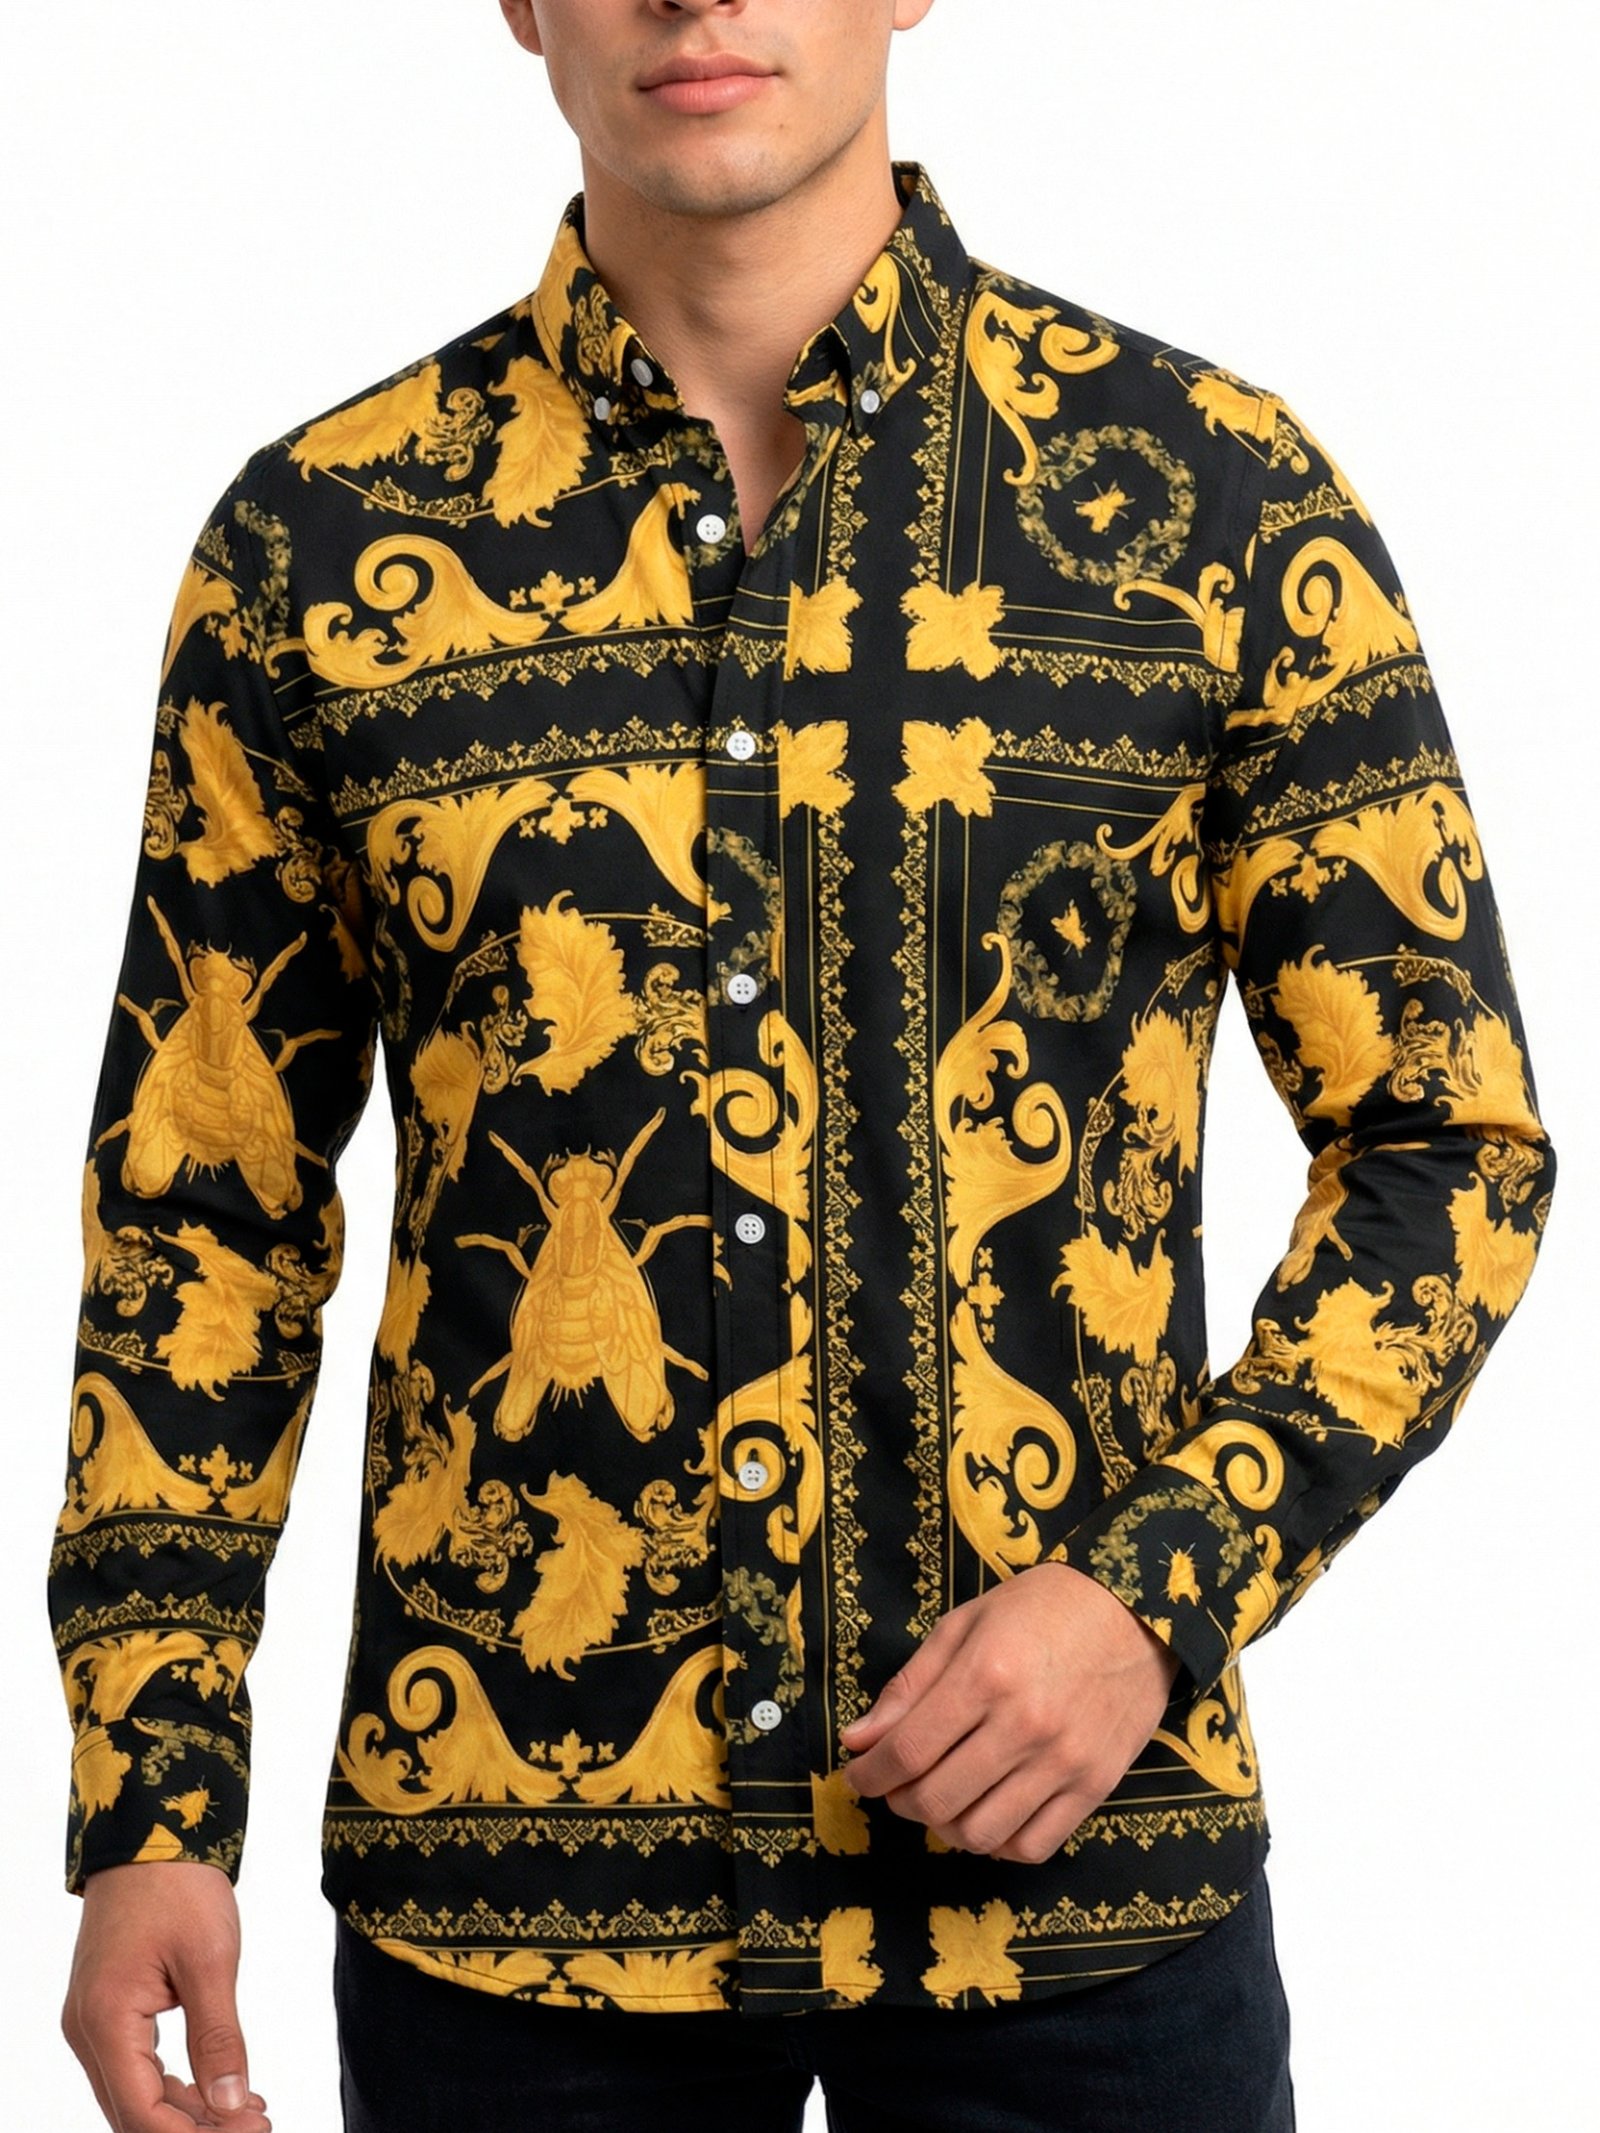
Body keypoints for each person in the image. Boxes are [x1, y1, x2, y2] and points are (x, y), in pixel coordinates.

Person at [49, 2, 1555, 2129]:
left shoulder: (1215, 508)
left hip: (1081, 1899)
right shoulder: (313, 549)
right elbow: (202, 1216)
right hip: (514, 1924)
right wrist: (149, 1793)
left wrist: (1159, 1590)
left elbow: (1446, 1143)